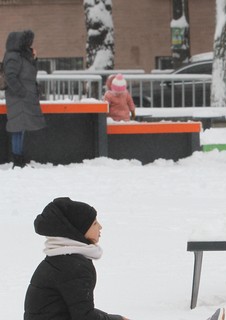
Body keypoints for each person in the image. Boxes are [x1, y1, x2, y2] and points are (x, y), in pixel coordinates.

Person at [24, 197, 129, 320]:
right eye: (94, 223)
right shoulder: (73, 266)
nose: (100, 227)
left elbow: (78, 308)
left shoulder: (60, 259)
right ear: (79, 230)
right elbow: (85, 317)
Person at [2, 29, 46, 168]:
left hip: (24, 97)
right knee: (17, 129)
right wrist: (22, 92)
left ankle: (20, 159)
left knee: (22, 128)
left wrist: (34, 58)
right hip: (17, 98)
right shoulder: (13, 56)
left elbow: (31, 73)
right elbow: (10, 77)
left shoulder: (22, 56)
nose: (29, 45)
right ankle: (17, 161)